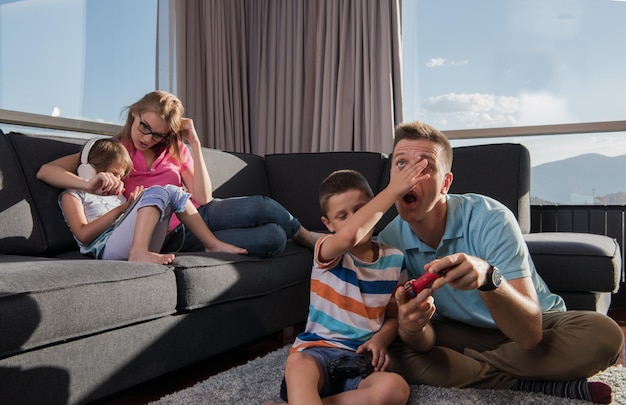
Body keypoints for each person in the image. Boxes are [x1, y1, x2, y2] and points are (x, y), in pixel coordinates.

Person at [376, 121, 625, 404]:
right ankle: (538, 384)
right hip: (460, 332)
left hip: (534, 327)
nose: (410, 177)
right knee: (390, 351)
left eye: (424, 167)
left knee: (604, 335)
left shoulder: (489, 217)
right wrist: (412, 327)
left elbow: (529, 335)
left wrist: (488, 278)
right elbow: (424, 339)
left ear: (445, 183)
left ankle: (476, 371)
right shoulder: (389, 241)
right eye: (401, 165)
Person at [37, 90, 318, 259]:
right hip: (172, 234)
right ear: (134, 113)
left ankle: (307, 237)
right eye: (145, 127)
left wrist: (193, 143)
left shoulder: (175, 149)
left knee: (263, 205)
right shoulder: (112, 150)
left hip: (200, 214)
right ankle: (284, 237)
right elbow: (46, 170)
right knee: (273, 239)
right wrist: (87, 183)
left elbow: (203, 197)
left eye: (158, 134)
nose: (148, 138)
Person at [268, 166, 429, 405]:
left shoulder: (395, 259)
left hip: (359, 361)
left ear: (372, 208)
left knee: (396, 388)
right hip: (317, 355)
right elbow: (349, 237)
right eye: (343, 216)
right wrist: (392, 191)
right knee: (297, 363)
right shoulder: (327, 249)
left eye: (361, 210)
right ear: (328, 223)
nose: (355, 220)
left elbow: (395, 317)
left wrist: (380, 340)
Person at [58, 137, 247, 264]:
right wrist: (123, 209)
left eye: (122, 176)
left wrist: (132, 206)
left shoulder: (117, 195)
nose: (119, 180)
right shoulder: (73, 195)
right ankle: (139, 252)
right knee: (155, 191)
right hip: (107, 248)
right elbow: (83, 235)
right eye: (115, 174)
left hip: (130, 238)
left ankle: (211, 243)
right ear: (91, 169)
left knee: (171, 191)